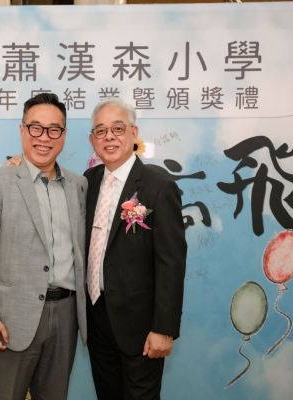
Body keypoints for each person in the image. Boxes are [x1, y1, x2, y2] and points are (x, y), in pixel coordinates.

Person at [0, 93, 88, 400]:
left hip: (66, 315)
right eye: (35, 127)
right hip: (11, 318)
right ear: (22, 131)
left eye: (53, 129)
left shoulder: (78, 185)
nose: (44, 137)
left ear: (64, 135)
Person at [85, 97, 187, 400]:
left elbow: (171, 261)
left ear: (134, 133)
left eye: (118, 128)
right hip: (96, 319)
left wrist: (164, 329)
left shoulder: (159, 186)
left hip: (141, 326)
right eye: (101, 131)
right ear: (92, 140)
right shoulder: (88, 182)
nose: (109, 137)